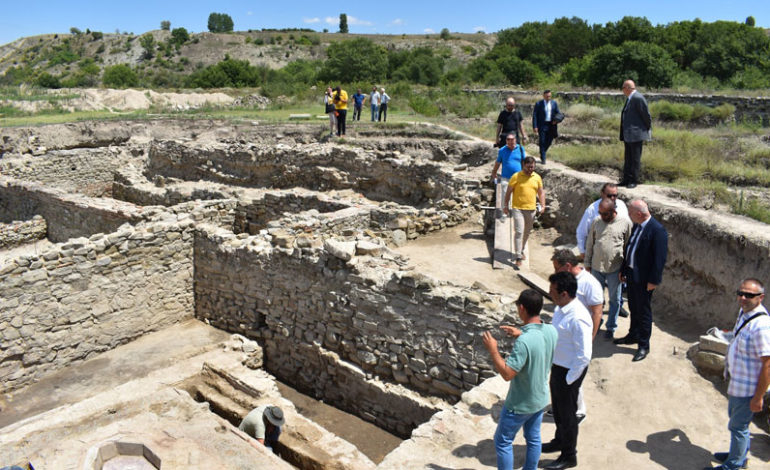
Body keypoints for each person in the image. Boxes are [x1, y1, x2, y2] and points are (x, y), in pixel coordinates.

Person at [482, 289, 558, 470]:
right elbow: (538, 339)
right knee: (533, 439)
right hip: (540, 399)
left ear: (522, 308)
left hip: (520, 403)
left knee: (502, 441)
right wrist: (520, 333)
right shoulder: (551, 330)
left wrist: (493, 350)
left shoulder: (524, 342)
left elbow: (508, 374)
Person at [705, 279, 770, 470]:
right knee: (739, 425)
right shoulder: (745, 313)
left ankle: (733, 465)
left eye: (749, 295)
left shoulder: (762, 327)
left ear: (761, 298)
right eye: (740, 293)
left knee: (738, 427)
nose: (743, 298)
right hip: (738, 384)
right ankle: (738, 455)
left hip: (748, 389)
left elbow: (768, 364)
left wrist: (758, 397)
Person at [541, 272, 592, 470]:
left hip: (569, 371)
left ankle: (569, 456)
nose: (549, 294)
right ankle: (559, 441)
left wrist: (570, 380)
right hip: (559, 367)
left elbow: (584, 355)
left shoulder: (578, 317)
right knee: (559, 412)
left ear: (563, 293)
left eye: (552, 291)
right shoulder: (561, 308)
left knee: (568, 415)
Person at [551, 249, 603, 424]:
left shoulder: (589, 283)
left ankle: (578, 410)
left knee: (574, 373)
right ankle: (561, 405)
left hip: (579, 333)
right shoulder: (564, 282)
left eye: (557, 268)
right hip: (567, 333)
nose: (554, 272)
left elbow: (597, 313)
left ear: (567, 266)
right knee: (564, 371)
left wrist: (591, 338)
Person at [614, 199, 668, 362]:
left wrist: (654, 280)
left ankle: (644, 345)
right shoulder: (637, 226)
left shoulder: (657, 231)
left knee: (643, 311)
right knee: (633, 307)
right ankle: (633, 335)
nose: (628, 215)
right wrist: (624, 269)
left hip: (644, 279)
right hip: (631, 274)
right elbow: (630, 249)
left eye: (630, 212)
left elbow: (659, 259)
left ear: (639, 213)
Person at [584, 199, 633, 340]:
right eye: (600, 213)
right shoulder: (597, 222)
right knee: (595, 298)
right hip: (596, 267)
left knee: (615, 300)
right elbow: (590, 243)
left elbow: (628, 247)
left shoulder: (625, 223)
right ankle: (597, 322)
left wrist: (625, 270)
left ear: (613, 211)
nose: (602, 216)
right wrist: (587, 263)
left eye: (605, 214)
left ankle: (611, 327)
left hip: (615, 269)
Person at [503, 157, 546, 266]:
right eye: (528, 167)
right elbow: (508, 192)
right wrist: (505, 205)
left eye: (532, 167)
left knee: (526, 232)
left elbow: (541, 193)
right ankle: (518, 256)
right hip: (518, 208)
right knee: (519, 231)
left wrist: (543, 205)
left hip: (531, 210)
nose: (530, 169)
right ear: (523, 165)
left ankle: (521, 249)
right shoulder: (516, 177)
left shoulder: (537, 177)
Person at [576, 183, 629, 258]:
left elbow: (628, 228)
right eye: (609, 195)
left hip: (619, 254)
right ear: (602, 194)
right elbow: (581, 232)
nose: (613, 198)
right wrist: (582, 251)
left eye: (615, 195)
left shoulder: (622, 206)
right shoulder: (592, 209)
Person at [619, 79, 652, 189]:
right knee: (628, 158)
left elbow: (646, 115)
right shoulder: (630, 98)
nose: (622, 90)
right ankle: (626, 179)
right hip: (629, 134)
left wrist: (645, 129)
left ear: (628, 88)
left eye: (623, 88)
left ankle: (633, 180)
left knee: (635, 159)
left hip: (636, 133)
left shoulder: (637, 98)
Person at [532, 90, 561, 165]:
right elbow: (535, 115)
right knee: (542, 141)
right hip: (542, 125)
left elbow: (558, 113)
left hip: (552, 125)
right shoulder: (539, 104)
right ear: (544, 96)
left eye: (550, 96)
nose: (548, 97)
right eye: (547, 96)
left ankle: (542, 152)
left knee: (549, 141)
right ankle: (543, 158)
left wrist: (556, 120)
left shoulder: (554, 103)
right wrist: (535, 126)